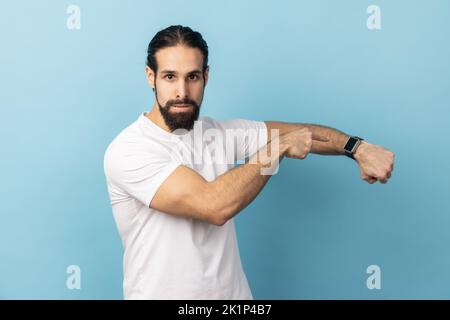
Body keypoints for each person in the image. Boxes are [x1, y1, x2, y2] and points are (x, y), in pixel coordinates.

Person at [103, 25, 395, 299]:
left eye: (192, 76)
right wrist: (275, 150)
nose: (182, 91)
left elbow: (303, 134)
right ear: (150, 77)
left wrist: (357, 148)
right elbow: (214, 206)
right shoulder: (130, 150)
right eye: (170, 77)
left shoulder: (219, 133)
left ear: (205, 77)